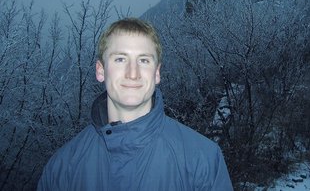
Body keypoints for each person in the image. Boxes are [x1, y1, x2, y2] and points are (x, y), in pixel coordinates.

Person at [37, 17, 233, 191]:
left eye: (144, 60)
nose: (133, 73)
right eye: (120, 59)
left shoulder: (203, 159)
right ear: (101, 71)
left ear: (157, 73)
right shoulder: (62, 168)